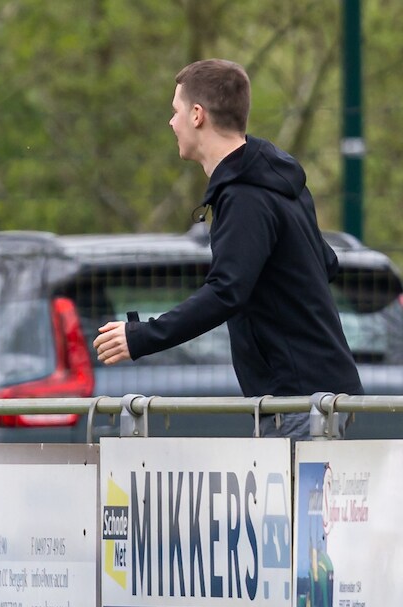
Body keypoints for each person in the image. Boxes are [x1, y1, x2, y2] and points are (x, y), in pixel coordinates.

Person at [92, 58, 364, 440]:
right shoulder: (278, 183)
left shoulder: (245, 197)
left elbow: (226, 291)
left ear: (198, 115)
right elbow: (326, 262)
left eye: (176, 111)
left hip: (300, 405)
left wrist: (141, 337)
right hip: (324, 398)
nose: (172, 123)